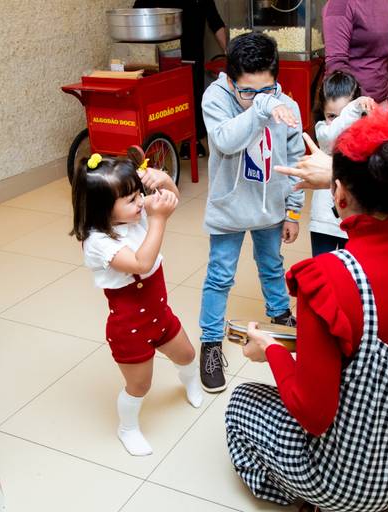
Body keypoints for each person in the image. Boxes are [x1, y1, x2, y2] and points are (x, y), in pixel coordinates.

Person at [225, 105, 388, 512]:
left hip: (349, 483)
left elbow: (314, 414)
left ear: (338, 194)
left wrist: (270, 349)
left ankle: (315, 500)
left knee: (240, 405)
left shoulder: (330, 278)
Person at [70, 153, 203, 456]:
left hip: (160, 313)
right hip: (129, 327)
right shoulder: (97, 242)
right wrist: (157, 219)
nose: (141, 202)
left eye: (139, 193)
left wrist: (165, 181)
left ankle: (191, 383)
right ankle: (127, 428)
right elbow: (141, 263)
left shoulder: (133, 214)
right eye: (131, 199)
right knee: (140, 386)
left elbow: (172, 199)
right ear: (103, 208)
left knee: (187, 354)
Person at [198, 33, 305, 393]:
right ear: (230, 80)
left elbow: (294, 161)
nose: (259, 98)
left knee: (273, 264)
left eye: (268, 89)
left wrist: (292, 212)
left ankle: (279, 314)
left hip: (269, 206)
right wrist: (259, 110)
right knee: (220, 275)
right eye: (247, 91)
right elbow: (226, 140)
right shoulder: (216, 98)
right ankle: (211, 344)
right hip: (229, 207)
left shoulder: (285, 103)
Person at [132, 0, 228, 159]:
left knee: (191, 97)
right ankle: (162, 141)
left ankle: (192, 141)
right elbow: (137, 15)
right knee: (165, 102)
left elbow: (215, 21)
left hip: (193, 56)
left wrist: (228, 50)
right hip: (162, 56)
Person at [310, 70, 376, 255]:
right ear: (322, 113)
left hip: (355, 219)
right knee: (324, 272)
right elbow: (335, 135)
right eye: (332, 116)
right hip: (324, 223)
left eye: (345, 114)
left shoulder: (363, 130)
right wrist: (352, 110)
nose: (339, 122)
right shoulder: (323, 130)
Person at [322, 0, 388, 106]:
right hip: (350, 105)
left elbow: (385, 57)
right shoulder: (339, 3)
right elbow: (336, 65)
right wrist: (367, 105)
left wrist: (387, 101)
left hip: (382, 102)